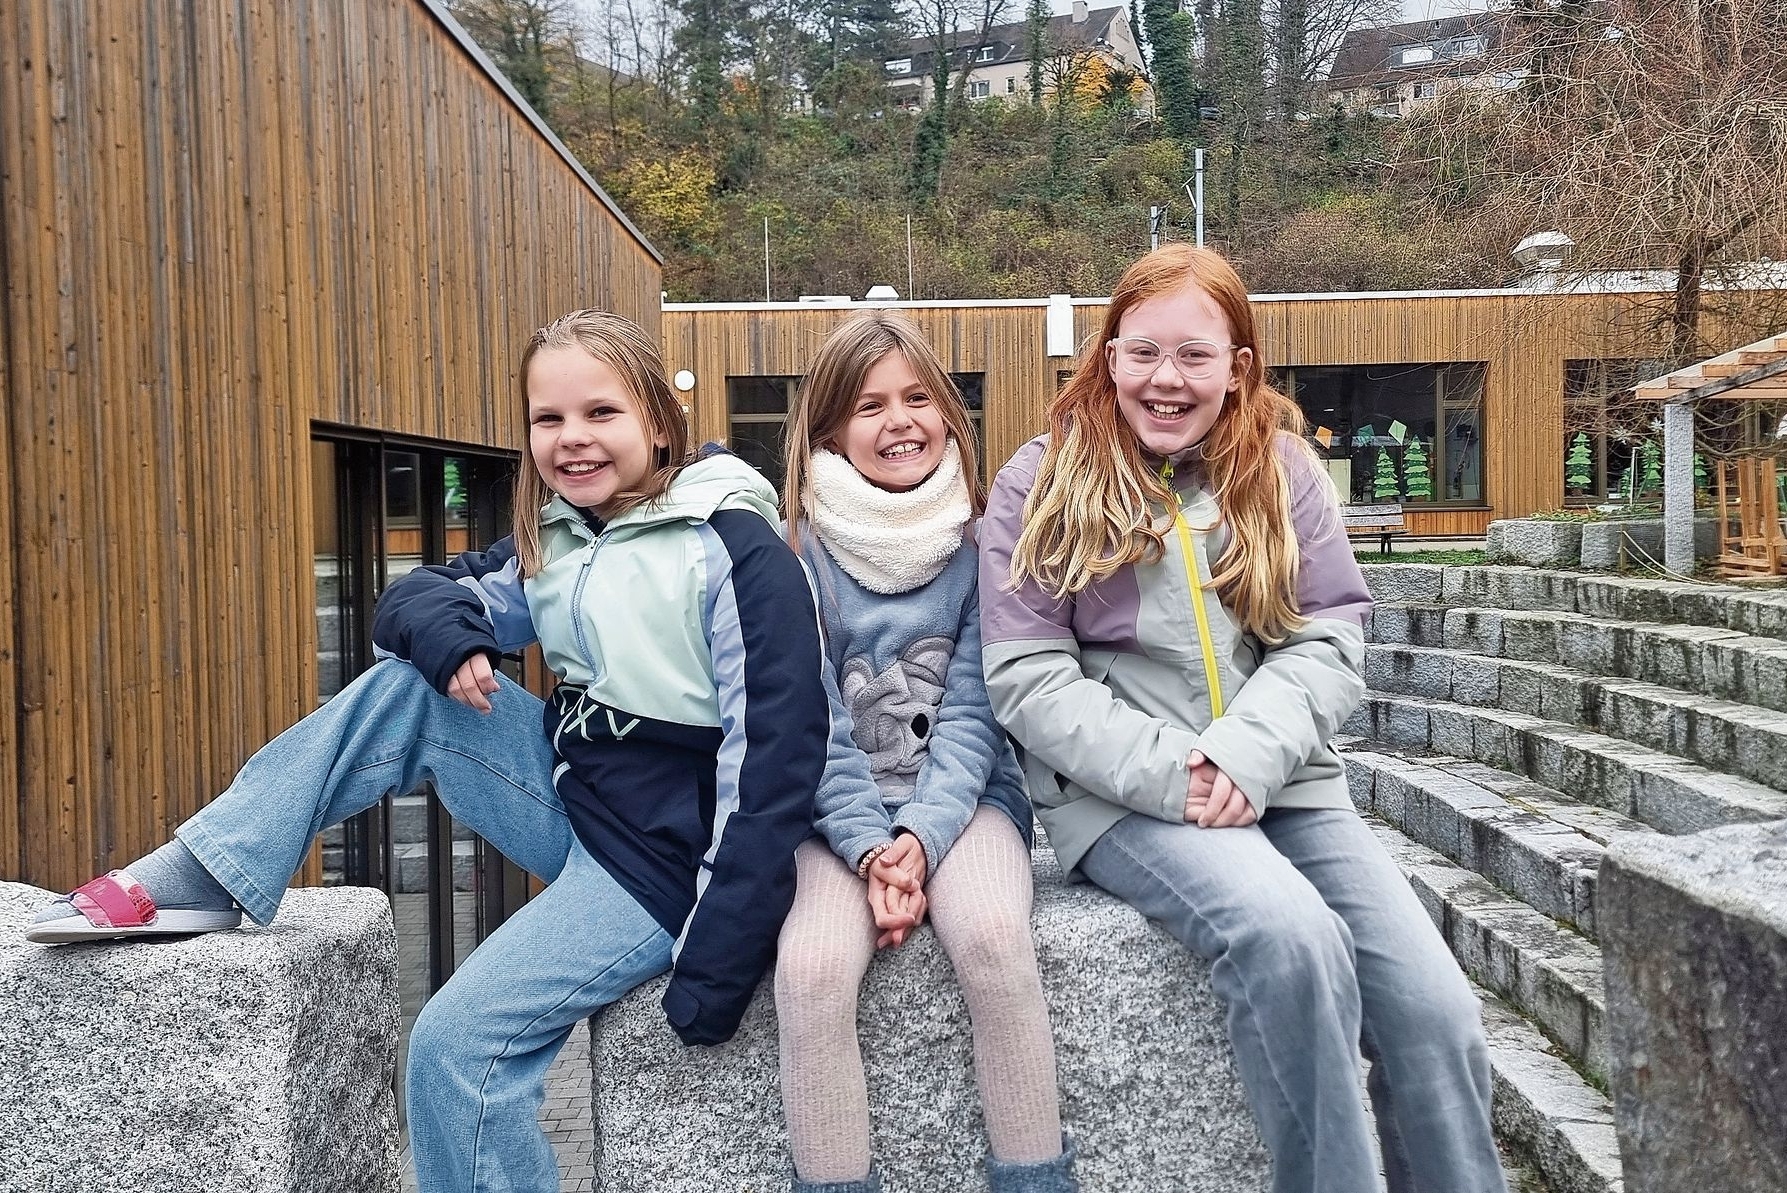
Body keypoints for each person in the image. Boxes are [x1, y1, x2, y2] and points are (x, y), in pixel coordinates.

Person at [29, 310, 829, 1193]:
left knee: (453, 1049)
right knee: (412, 685)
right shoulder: (559, 535)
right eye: (547, 419)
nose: (572, 440)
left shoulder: (734, 547)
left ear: (658, 423)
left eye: (600, 413)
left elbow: (778, 759)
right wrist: (456, 640)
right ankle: (208, 872)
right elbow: (414, 601)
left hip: (659, 863)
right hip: (572, 799)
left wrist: (719, 955)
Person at [977, 245, 1506, 1193]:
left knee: (1435, 1013)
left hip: (1288, 782)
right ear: (1105, 357)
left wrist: (1244, 758)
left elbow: (1328, 633)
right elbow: (1026, 674)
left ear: (1239, 366)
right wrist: (1180, 771)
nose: (1165, 379)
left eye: (1193, 355)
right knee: (1288, 939)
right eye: (1140, 352)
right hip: (1125, 797)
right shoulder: (1038, 482)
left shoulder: (1283, 469)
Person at [772, 311, 1075, 1193]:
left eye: (916, 397)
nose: (897, 420)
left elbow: (977, 715)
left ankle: (1034, 1178)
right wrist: (872, 846)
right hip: (835, 813)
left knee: (990, 938)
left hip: (968, 797)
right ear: (829, 428)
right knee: (813, 969)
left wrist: (922, 840)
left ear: (948, 412)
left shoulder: (985, 541)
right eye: (868, 405)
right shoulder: (796, 554)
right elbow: (811, 724)